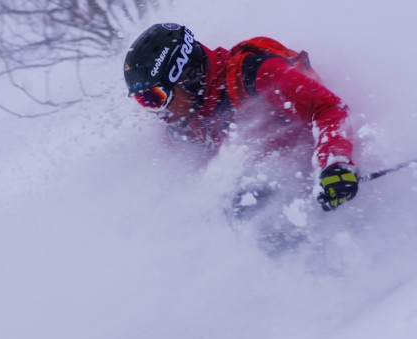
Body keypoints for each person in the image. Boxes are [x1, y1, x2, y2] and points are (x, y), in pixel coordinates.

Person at [123, 23, 359, 212]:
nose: (157, 112)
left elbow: (329, 108)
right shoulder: (183, 125)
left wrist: (334, 163)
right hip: (274, 205)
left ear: (188, 74)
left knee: (242, 201)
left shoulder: (255, 75)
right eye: (143, 102)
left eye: (155, 97)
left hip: (325, 183)